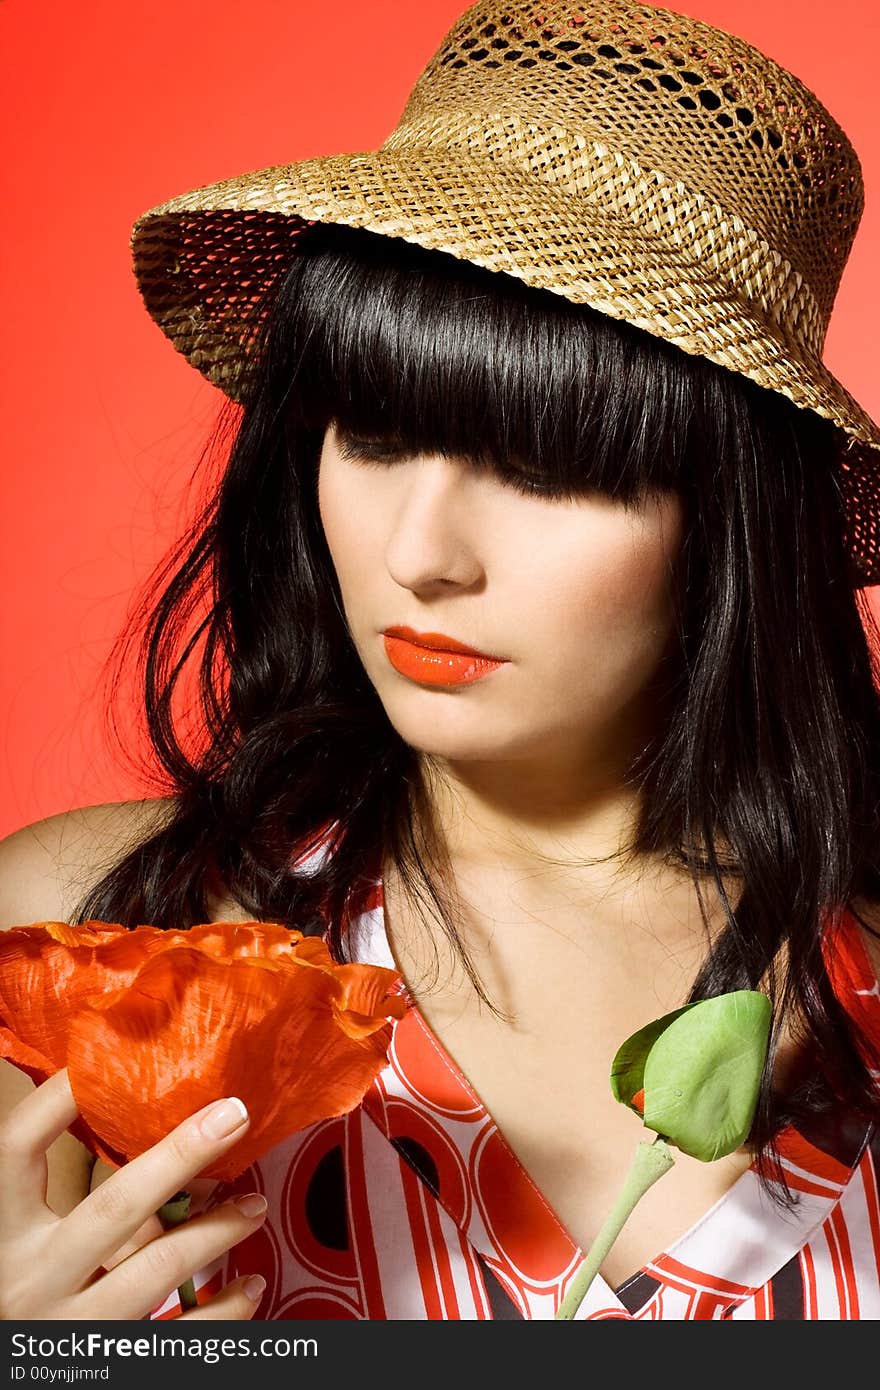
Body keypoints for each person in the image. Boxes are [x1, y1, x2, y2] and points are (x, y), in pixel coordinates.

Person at [2, 0, 880, 1322]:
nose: (422, 552)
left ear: (733, 521)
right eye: (373, 433)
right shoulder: (97, 940)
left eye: (543, 466)